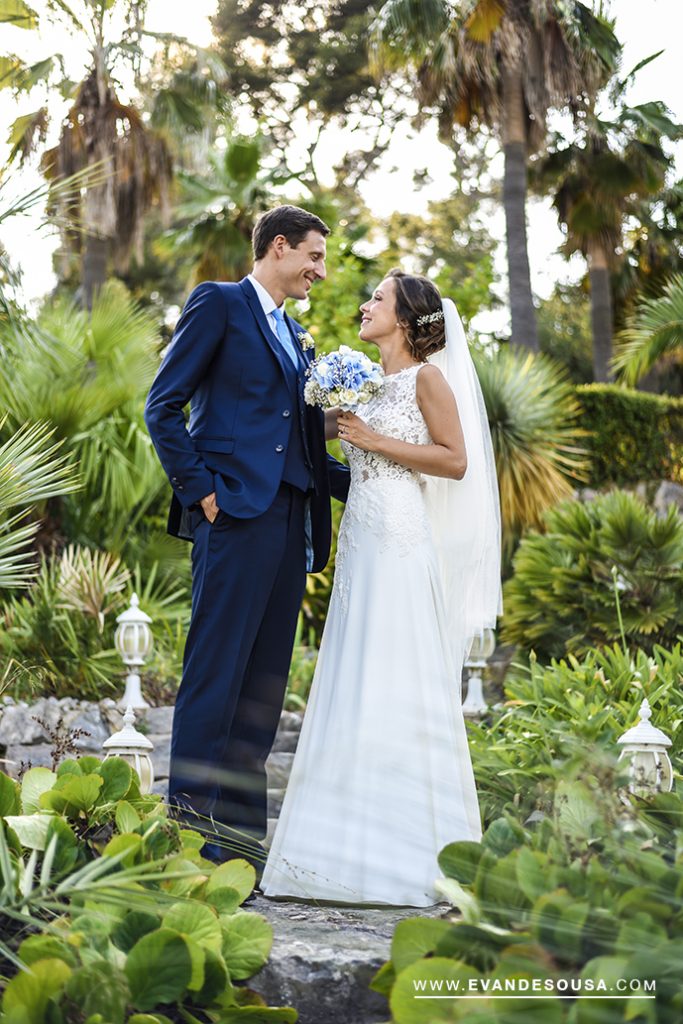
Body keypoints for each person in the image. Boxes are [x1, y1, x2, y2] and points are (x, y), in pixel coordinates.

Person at [260, 269, 502, 906]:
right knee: (355, 676)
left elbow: (454, 460)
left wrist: (373, 440)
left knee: (399, 679)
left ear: (405, 319)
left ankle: (409, 859)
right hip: (361, 548)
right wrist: (335, 438)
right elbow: (360, 466)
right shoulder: (367, 385)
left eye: (377, 299)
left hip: (400, 543)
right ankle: (338, 855)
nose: (365, 306)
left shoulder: (428, 378)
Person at [144, 205, 350, 868]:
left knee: (263, 687)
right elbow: (163, 405)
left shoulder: (296, 336)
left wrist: (375, 474)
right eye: (313, 257)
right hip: (231, 516)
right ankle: (187, 838)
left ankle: (238, 849)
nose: (320, 271)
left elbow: (293, 433)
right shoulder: (220, 304)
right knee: (215, 676)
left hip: (292, 522)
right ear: (280, 247)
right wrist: (201, 491)